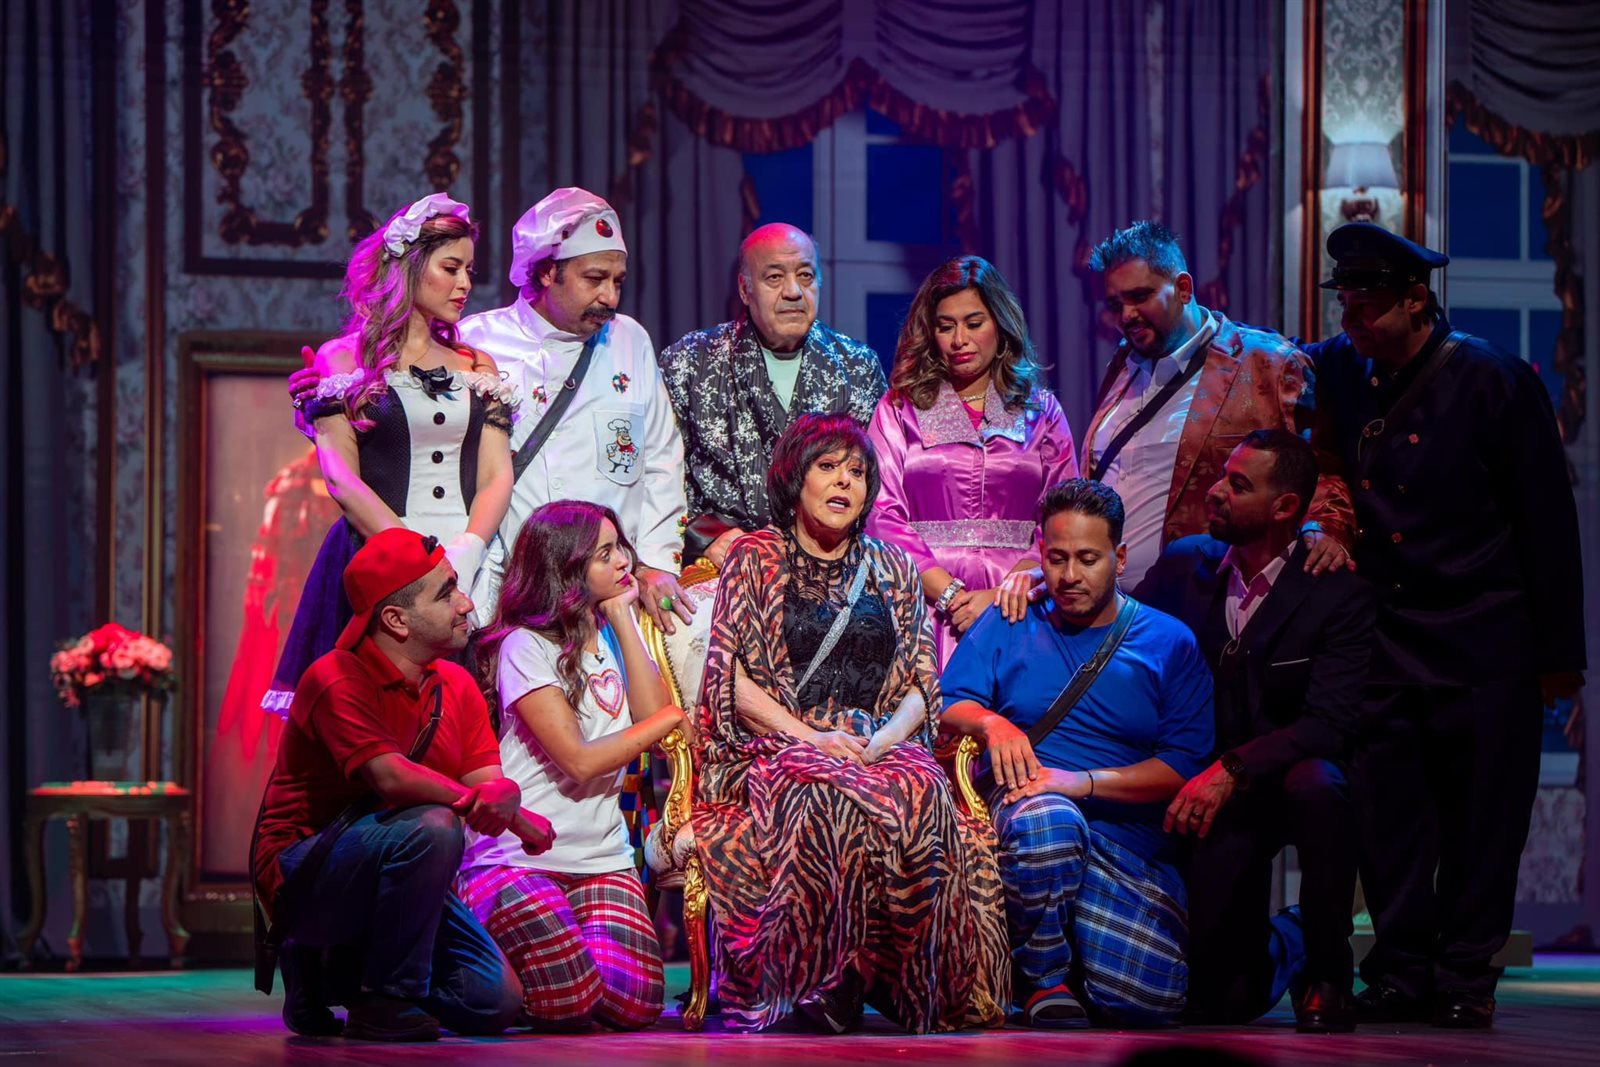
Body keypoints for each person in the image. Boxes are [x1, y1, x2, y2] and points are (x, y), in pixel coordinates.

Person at [1301, 222, 1586, 1028]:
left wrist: (1559, 660)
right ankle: (1400, 972)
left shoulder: (1494, 380)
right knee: (1390, 818)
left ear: (1417, 300)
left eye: (1368, 304)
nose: (1352, 319)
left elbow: (1547, 526)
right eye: (1345, 302)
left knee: (1483, 822)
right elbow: (1270, 362)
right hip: (1389, 635)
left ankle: (1465, 976)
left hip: (1484, 636)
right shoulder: (1344, 371)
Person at [692, 413, 1009, 1033]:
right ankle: (825, 977)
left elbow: (921, 683)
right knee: (824, 796)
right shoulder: (754, 558)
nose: (844, 482)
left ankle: (907, 981)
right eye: (828, 467)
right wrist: (813, 738)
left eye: (857, 472)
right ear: (795, 479)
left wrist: (883, 741)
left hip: (877, 738)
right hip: (776, 743)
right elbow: (731, 680)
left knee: (921, 788)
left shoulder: (894, 567)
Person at [291, 187, 690, 633]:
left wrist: (655, 561)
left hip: (606, 588)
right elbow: (397, 420)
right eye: (595, 278)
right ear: (546, 272)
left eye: (618, 281)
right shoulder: (474, 342)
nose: (610, 297)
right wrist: (321, 410)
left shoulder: (629, 341)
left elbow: (662, 458)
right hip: (511, 586)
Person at [250, 528, 553, 1041]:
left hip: (397, 869)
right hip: (306, 875)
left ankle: (336, 971)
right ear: (396, 619)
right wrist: (516, 819)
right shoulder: (335, 676)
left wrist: (508, 798)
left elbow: (489, 788)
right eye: (446, 593)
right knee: (434, 826)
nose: (465, 604)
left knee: (492, 1001)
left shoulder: (455, 684)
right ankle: (383, 999)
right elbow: (390, 778)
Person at [941, 479, 1213, 1028]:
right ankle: (1043, 980)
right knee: (1051, 822)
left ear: (1120, 557)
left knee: (1146, 1003)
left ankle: (1290, 937)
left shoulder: (1168, 641)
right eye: (1057, 558)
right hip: (1027, 816)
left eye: (1088, 559)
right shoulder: (1013, 618)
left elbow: (1183, 764)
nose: (1069, 576)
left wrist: (1081, 782)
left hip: (1124, 841)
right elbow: (950, 704)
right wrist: (993, 723)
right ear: (1040, 555)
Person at [1136, 431, 1378, 1033]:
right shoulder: (1184, 566)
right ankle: (1291, 936)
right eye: (1224, 474)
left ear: (1285, 507)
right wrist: (1046, 584)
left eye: (1238, 485)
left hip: (1287, 776)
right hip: (1214, 790)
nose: (1215, 491)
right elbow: (1120, 630)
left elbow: (1330, 724)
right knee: (1221, 1001)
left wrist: (1234, 768)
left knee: (1320, 785)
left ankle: (1328, 970)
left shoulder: (1336, 593)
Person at [263, 193, 516, 714]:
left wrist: (467, 551)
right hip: (379, 554)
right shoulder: (343, 358)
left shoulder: (477, 364)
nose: (465, 284)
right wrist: (415, 559)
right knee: (372, 715)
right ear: (411, 266)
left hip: (467, 564)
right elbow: (342, 478)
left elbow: (496, 476)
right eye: (451, 268)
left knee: (461, 717)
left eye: (469, 270)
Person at [456, 500, 690, 1031]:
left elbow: (649, 718)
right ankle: (487, 955)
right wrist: (673, 716)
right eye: (604, 554)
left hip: (600, 858)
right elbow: (580, 761)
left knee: (634, 1003)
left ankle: (556, 959)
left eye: (620, 547)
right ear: (565, 568)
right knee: (569, 997)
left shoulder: (613, 633)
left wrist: (622, 617)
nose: (624, 561)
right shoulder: (524, 645)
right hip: (519, 859)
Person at [1081, 221, 1354, 590]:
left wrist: (1328, 528)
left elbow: (1320, 471)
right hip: (1106, 603)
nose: (1126, 314)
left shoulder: (1269, 363)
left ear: (1183, 288)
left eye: (1140, 296)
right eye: (1116, 304)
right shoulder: (1123, 362)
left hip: (1207, 597)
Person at [866, 255, 1078, 666]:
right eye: (945, 326)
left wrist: (1004, 594)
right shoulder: (898, 408)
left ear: (1000, 324)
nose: (959, 340)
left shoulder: (1041, 411)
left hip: (1021, 603)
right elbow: (880, 514)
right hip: (924, 603)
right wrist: (951, 595)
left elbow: (1064, 515)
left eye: (974, 323)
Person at [659, 223, 886, 572]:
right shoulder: (690, 362)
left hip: (830, 567)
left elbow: (878, 480)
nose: (793, 291)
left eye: (806, 276)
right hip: (723, 565)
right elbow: (660, 473)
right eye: (775, 278)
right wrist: (704, 536)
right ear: (744, 288)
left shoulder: (856, 367)